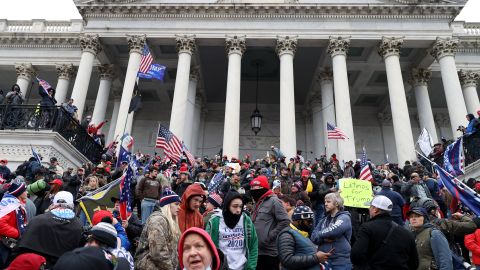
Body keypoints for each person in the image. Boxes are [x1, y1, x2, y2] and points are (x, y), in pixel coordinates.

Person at [351, 195, 418, 270]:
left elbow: (356, 255)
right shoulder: (406, 233)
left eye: (370, 207)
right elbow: (414, 263)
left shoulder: (366, 228)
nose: (369, 209)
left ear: (375, 209)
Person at [17, 191, 82, 267]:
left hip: (33, 264)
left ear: (53, 203)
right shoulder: (78, 226)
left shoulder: (38, 220)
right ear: (71, 205)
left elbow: (22, 247)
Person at [206, 189, 258, 270]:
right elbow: (208, 247)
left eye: (240, 206)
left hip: (242, 267)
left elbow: (253, 245)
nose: (238, 210)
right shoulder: (215, 221)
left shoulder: (246, 220)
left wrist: (250, 267)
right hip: (223, 267)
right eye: (235, 206)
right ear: (227, 205)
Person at [135, 188, 182, 270]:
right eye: (176, 204)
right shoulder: (157, 220)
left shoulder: (168, 221)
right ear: (167, 205)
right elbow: (158, 253)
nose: (179, 208)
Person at [249, 175, 289, 270]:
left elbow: (285, 221)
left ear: (263, 188)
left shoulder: (274, 201)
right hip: (256, 250)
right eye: (252, 188)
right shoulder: (258, 202)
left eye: (256, 188)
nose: (253, 190)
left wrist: (270, 236)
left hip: (269, 252)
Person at [277, 206, 330, 270]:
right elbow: (287, 260)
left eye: (311, 221)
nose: (311, 224)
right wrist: (316, 258)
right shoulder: (287, 235)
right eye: (308, 221)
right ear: (299, 221)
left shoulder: (302, 233)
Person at [311, 192, 352, 270]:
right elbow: (313, 237)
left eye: (328, 202)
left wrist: (320, 235)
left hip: (340, 262)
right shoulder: (324, 220)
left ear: (336, 203)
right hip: (324, 262)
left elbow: (335, 230)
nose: (325, 204)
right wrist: (324, 238)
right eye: (325, 202)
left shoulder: (345, 217)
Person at [0, 183, 28, 268]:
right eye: (25, 191)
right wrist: (17, 233)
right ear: (19, 193)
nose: (27, 193)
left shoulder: (17, 204)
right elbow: (1, 224)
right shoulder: (9, 205)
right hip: (3, 244)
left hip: (10, 243)